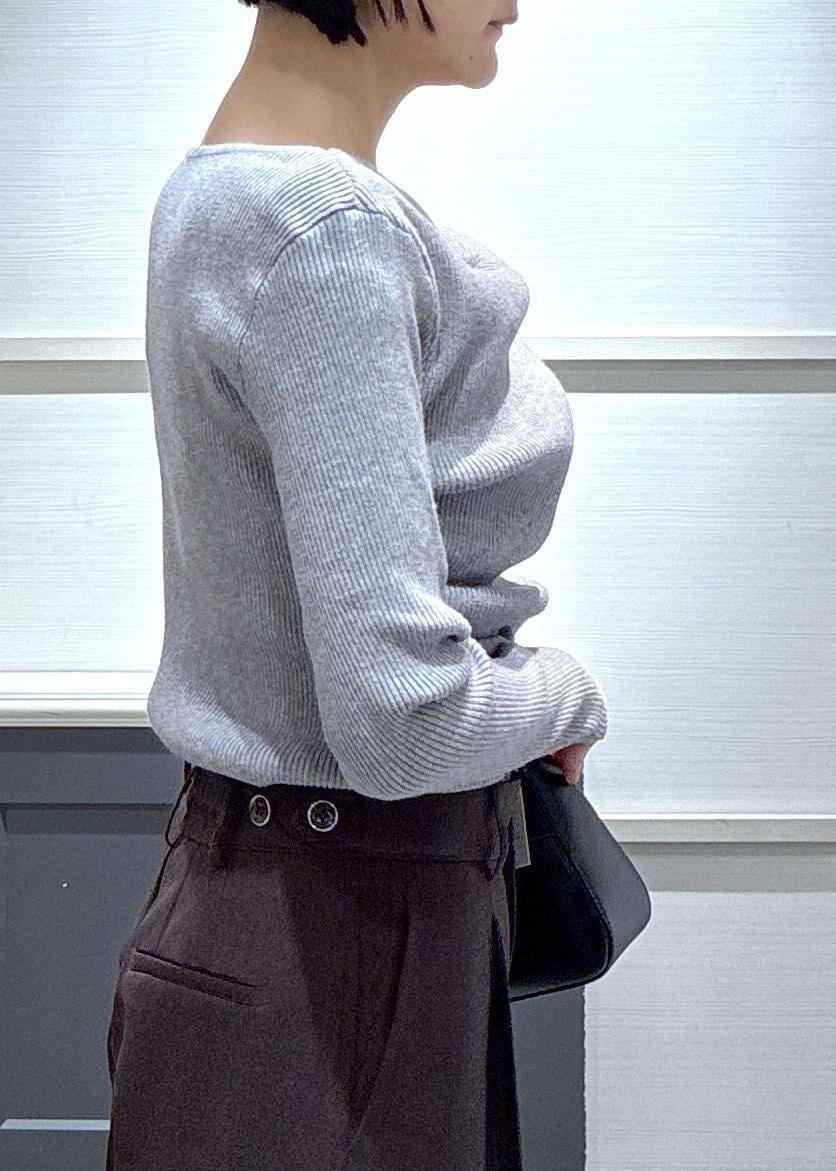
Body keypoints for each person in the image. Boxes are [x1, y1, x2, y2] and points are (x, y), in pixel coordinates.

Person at [104, 2, 609, 1168]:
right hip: (338, 935)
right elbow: (402, 721)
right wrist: (566, 693)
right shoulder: (325, 232)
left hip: (287, 913)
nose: (515, 3)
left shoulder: (223, 196)